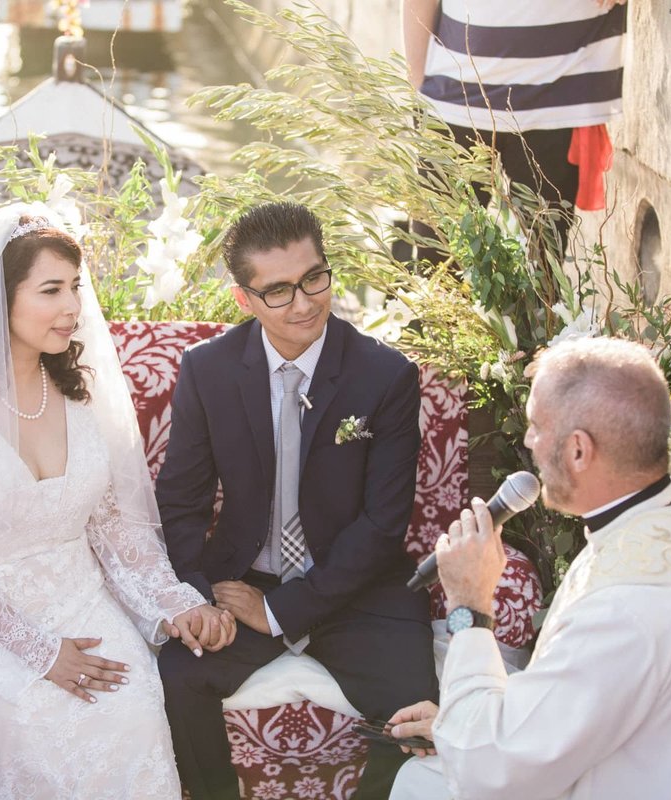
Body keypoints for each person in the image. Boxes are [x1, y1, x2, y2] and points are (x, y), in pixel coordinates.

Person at [0, 204, 235, 798]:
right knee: (30, 726)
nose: (73, 308)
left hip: (77, 596)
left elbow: (117, 529)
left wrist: (171, 603)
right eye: (52, 290)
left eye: (76, 289)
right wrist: (38, 651)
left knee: (133, 712)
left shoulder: (79, 394)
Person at [388, 337, 671, 799]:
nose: (527, 441)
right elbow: (598, 687)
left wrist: (469, 604)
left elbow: (488, 772)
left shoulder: (628, 606)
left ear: (579, 450)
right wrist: (457, 721)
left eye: (537, 426)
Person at [156, 201, 436, 799]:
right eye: (278, 291)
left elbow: (384, 524)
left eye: (314, 278)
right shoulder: (207, 371)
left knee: (418, 717)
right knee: (175, 678)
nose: (305, 302)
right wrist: (197, 598)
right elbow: (181, 501)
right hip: (242, 578)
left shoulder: (384, 375)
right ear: (244, 300)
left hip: (359, 589)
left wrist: (282, 611)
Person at [401, 0, 628, 259]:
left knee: (542, 269)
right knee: (438, 259)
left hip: (559, 100)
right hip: (453, 97)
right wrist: (418, 84)